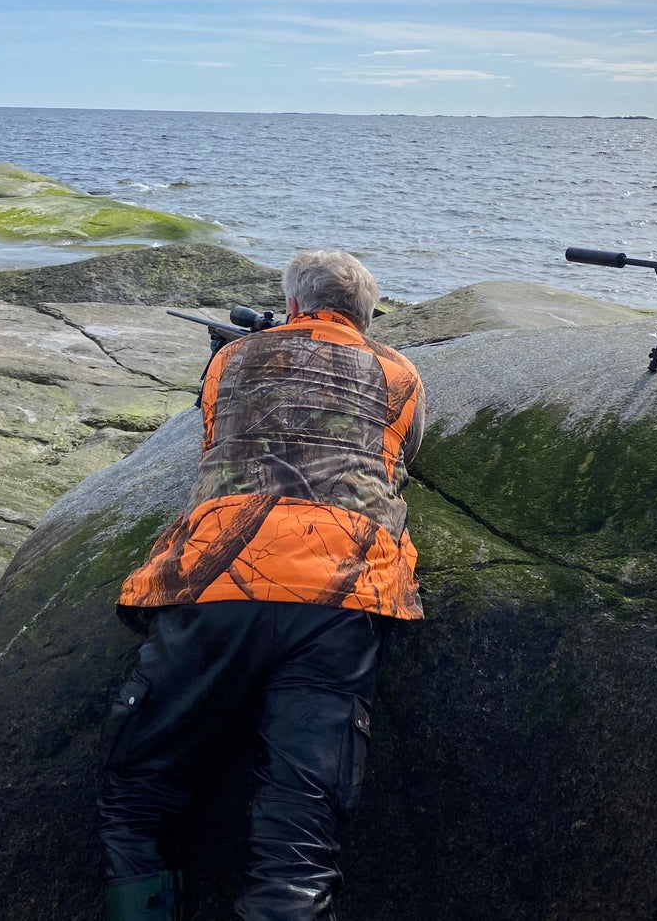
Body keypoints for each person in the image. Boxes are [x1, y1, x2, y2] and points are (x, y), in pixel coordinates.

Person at [97, 250, 426, 921]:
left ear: (296, 306)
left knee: (135, 799)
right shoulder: (399, 372)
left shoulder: (230, 360)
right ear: (367, 319)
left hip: (218, 584)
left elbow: (216, 432)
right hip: (343, 598)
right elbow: (405, 451)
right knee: (299, 842)